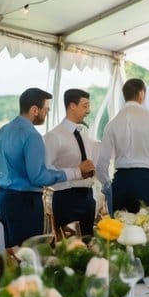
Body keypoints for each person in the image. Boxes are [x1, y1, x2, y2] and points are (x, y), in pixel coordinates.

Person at [0, 87, 93, 247]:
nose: (47, 113)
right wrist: (76, 172)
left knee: (13, 251)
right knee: (30, 253)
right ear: (34, 110)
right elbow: (38, 177)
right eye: (46, 109)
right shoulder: (32, 135)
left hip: (1, 197)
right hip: (23, 201)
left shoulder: (2, 131)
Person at [96, 78, 149, 213]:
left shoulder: (112, 124)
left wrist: (108, 187)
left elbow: (101, 163)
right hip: (147, 181)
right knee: (146, 227)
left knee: (122, 229)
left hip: (121, 181)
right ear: (142, 94)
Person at [43, 88, 99, 237]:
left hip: (88, 197)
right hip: (67, 199)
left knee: (88, 245)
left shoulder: (84, 133)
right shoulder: (53, 136)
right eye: (85, 106)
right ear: (72, 106)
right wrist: (76, 171)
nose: (88, 111)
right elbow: (46, 171)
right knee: (70, 251)